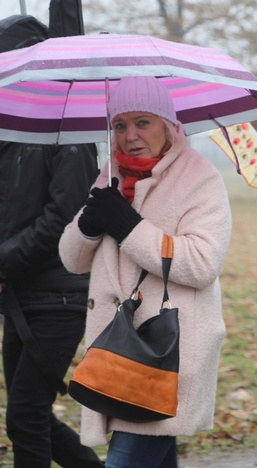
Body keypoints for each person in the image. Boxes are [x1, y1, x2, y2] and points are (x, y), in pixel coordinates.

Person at [58, 76, 232, 467]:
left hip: (167, 353)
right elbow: (72, 259)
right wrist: (89, 225)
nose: (129, 135)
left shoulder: (199, 177)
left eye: (142, 122)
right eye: (119, 125)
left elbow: (202, 263)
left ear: (168, 125)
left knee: (133, 453)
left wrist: (127, 227)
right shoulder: (112, 175)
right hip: (117, 350)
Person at [0, 14, 104, 468]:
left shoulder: (70, 135)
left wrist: (2, 262)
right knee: (30, 418)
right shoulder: (13, 132)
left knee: (26, 415)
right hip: (21, 295)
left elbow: (64, 218)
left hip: (61, 295)